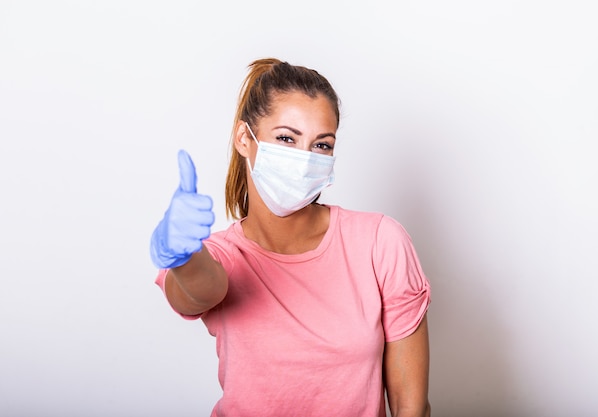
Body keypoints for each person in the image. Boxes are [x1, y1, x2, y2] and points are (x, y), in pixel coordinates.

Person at [149, 57, 432, 417]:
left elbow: (412, 407)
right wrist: (183, 257)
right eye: (286, 138)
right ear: (244, 139)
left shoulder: (379, 242)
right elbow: (201, 290)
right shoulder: (223, 255)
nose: (304, 160)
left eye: (321, 145)